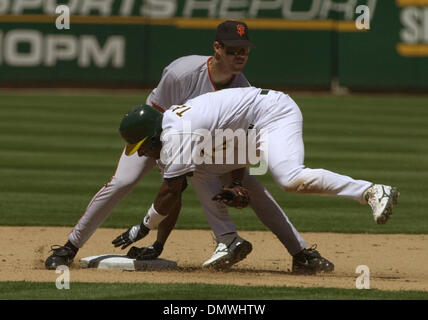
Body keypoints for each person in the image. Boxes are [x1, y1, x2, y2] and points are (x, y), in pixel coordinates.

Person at [44, 21, 328, 274]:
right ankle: (69, 247)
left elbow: (241, 146)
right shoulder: (181, 72)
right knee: (123, 181)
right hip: (155, 134)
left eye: (244, 50)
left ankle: (300, 253)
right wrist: (163, 160)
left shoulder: (243, 89)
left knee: (253, 186)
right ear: (217, 48)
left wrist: (238, 182)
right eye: (232, 49)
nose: (239, 55)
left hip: (201, 141)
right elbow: (154, 117)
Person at [115, 88, 399, 271]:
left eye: (142, 148)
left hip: (273, 115)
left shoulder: (177, 135)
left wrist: (141, 228)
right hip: (247, 131)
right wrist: (158, 243)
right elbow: (176, 191)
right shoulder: (173, 129)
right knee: (201, 171)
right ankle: (232, 242)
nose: (142, 155)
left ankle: (372, 191)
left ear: (152, 136)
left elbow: (170, 192)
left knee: (290, 178)